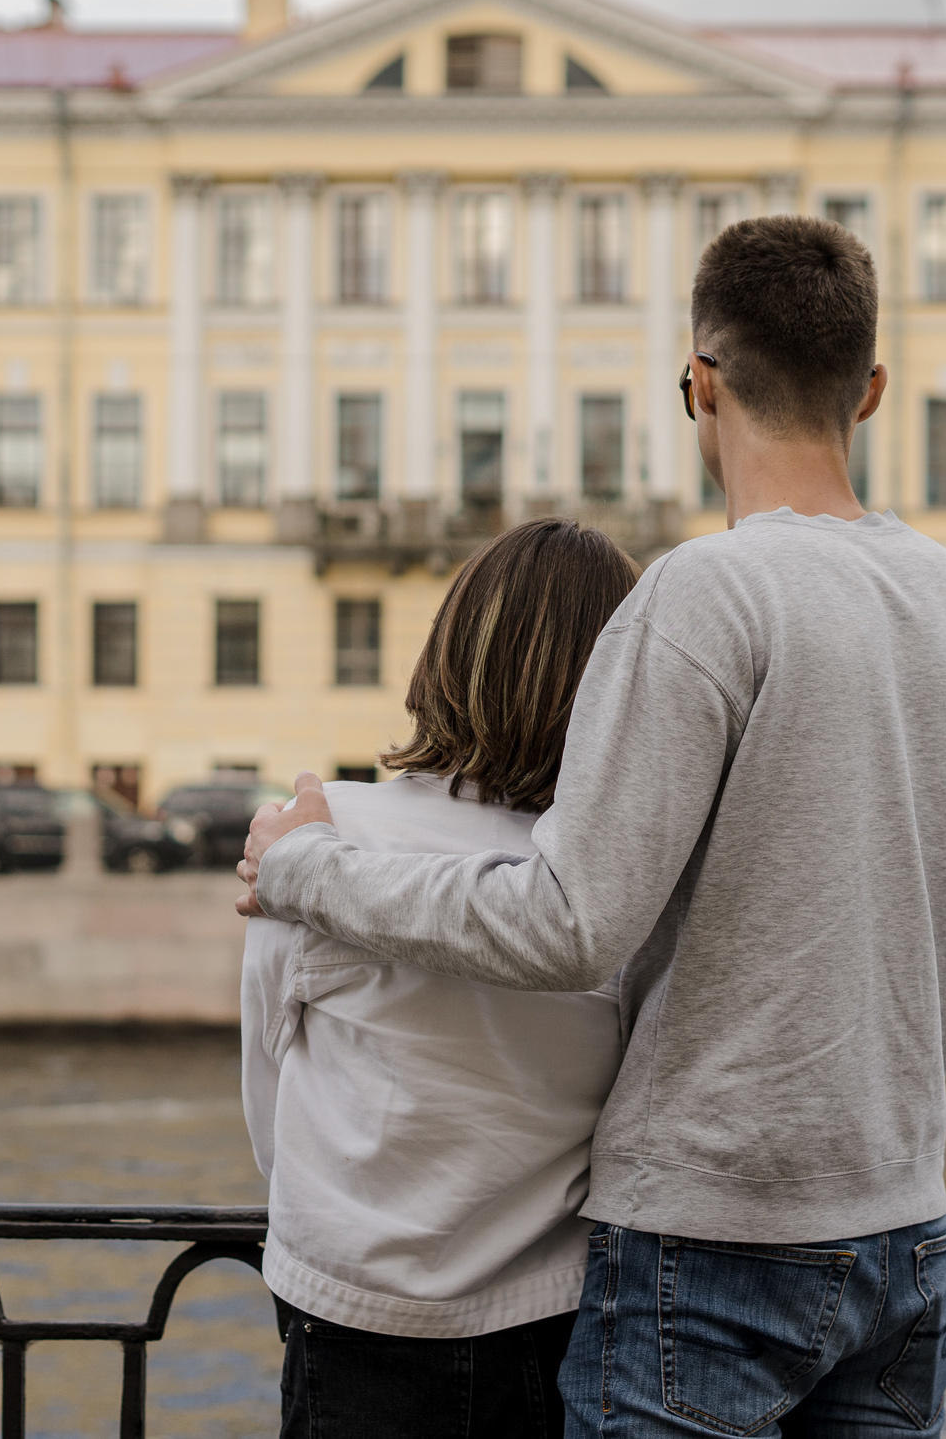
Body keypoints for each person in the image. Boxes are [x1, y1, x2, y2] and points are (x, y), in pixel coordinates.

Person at [240, 214, 946, 1437]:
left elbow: (568, 925)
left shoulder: (705, 592)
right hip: (903, 1231)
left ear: (697, 384)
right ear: (870, 393)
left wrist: (305, 872)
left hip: (705, 1246)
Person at [242, 517, 643, 1438]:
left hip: (350, 1309)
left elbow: (269, 1090)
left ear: (447, 653)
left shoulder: (313, 831)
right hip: (551, 1322)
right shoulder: (616, 881)